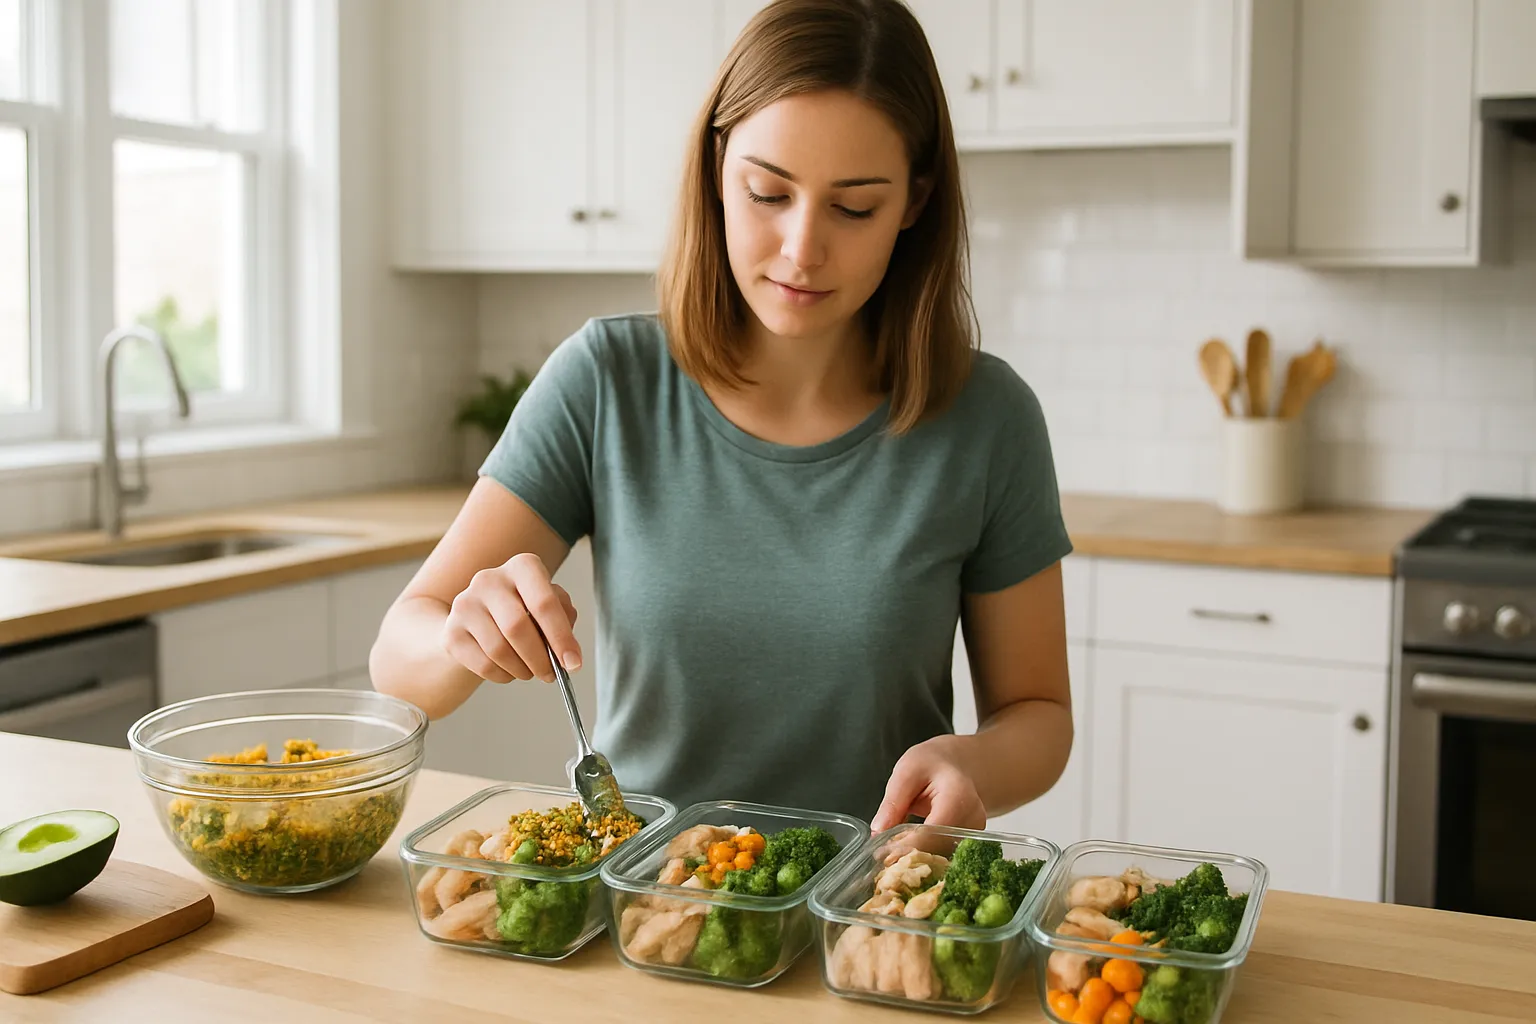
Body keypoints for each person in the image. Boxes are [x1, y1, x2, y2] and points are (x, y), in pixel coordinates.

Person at [370, 0, 1073, 836]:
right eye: (768, 192)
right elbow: (396, 661)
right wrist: (462, 636)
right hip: (643, 902)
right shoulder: (607, 382)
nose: (802, 248)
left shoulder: (988, 420)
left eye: (855, 208)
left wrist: (972, 762)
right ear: (716, 169)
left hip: (871, 912)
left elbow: (1038, 714)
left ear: (916, 201)